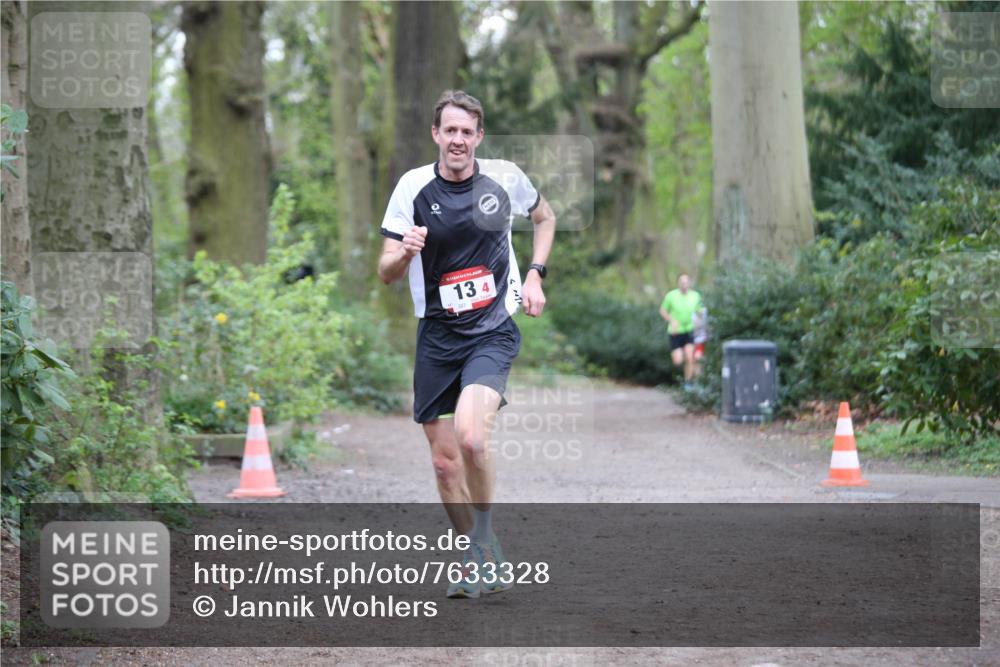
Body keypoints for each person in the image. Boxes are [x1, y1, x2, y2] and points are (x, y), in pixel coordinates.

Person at [377, 90, 556, 598]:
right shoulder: (412, 187)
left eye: (466, 131)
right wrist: (405, 252)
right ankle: (481, 552)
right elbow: (385, 271)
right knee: (443, 462)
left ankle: (482, 541)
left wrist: (536, 274)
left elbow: (545, 217)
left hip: (491, 331)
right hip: (437, 336)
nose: (458, 140)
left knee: (472, 438)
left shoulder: (504, 178)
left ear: (479, 136)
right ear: (436, 134)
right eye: (449, 130)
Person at [659, 273, 703, 388]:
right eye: (682, 282)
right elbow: (662, 310)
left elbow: (700, 313)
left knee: (690, 357)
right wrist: (671, 321)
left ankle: (688, 383)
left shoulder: (696, 296)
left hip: (690, 330)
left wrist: (700, 326)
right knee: (678, 360)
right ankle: (682, 352)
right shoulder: (671, 296)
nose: (684, 284)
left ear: (690, 283)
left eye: (686, 282)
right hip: (675, 332)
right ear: (678, 283)